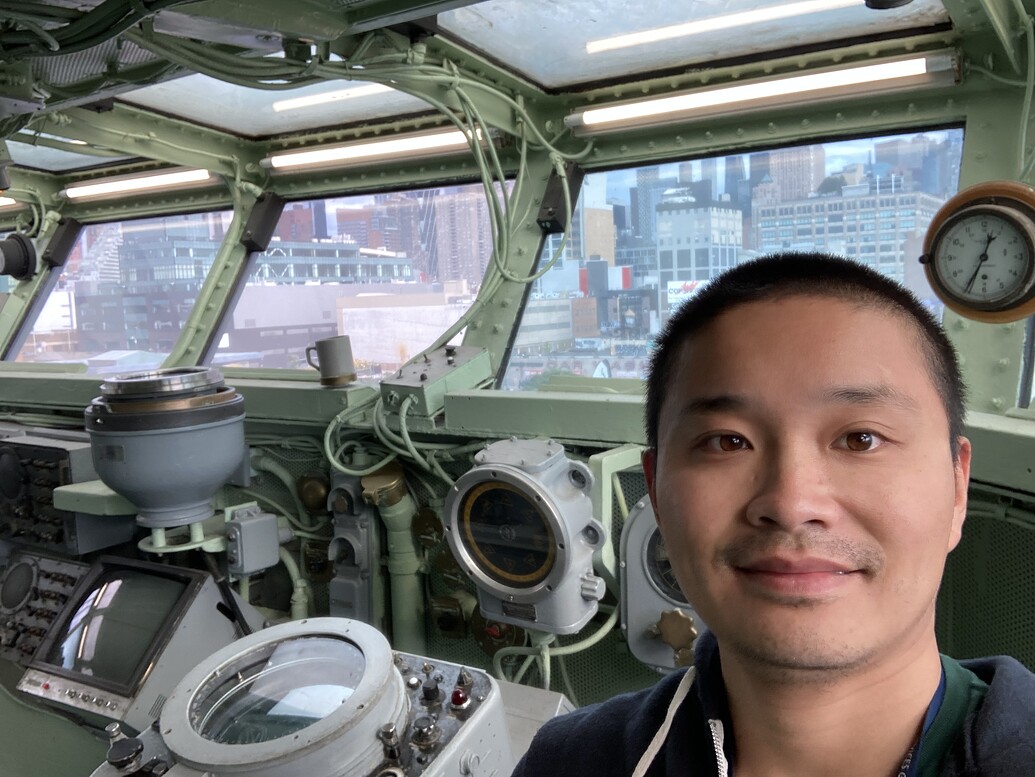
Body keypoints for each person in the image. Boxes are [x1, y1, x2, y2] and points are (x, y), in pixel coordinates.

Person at [510, 253, 1035, 777]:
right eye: (727, 441)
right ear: (656, 490)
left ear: (957, 486)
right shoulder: (567, 761)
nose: (791, 503)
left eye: (861, 439)